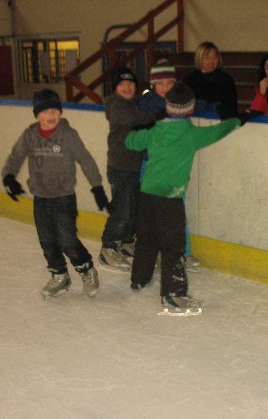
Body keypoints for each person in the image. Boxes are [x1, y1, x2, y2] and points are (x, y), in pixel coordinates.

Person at [125, 83, 241, 315]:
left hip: (147, 193)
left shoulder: (156, 131)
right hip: (170, 196)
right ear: (190, 110)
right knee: (173, 245)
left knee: (147, 237)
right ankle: (173, 294)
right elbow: (218, 131)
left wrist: (141, 129)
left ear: (168, 107)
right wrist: (237, 120)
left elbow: (130, 141)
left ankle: (139, 279)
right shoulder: (192, 135)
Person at [2, 89, 110, 298]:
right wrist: (9, 176)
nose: (51, 115)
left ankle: (86, 269)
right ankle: (60, 275)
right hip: (40, 198)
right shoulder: (30, 135)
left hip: (64, 197)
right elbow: (15, 156)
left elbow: (86, 159)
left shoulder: (68, 135)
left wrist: (96, 187)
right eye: (45, 111)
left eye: (55, 110)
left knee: (67, 240)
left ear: (60, 112)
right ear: (37, 114)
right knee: (47, 241)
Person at [137, 58, 200, 272]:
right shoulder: (145, 106)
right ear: (153, 85)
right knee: (152, 212)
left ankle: (183, 252)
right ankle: (154, 252)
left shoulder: (181, 103)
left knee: (176, 211)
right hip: (151, 166)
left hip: (174, 169)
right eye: (160, 83)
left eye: (169, 83)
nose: (165, 87)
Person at [99, 66, 158, 271]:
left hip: (133, 167)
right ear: (115, 88)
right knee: (122, 210)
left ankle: (125, 243)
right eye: (122, 84)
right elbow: (133, 118)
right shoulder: (117, 105)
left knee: (133, 209)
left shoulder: (133, 103)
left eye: (130, 83)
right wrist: (156, 114)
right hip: (120, 167)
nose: (127, 87)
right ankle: (108, 247)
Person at [183, 41, 238, 119]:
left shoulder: (226, 79)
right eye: (207, 57)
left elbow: (232, 107)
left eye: (215, 57)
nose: (211, 61)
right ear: (199, 58)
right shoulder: (189, 79)